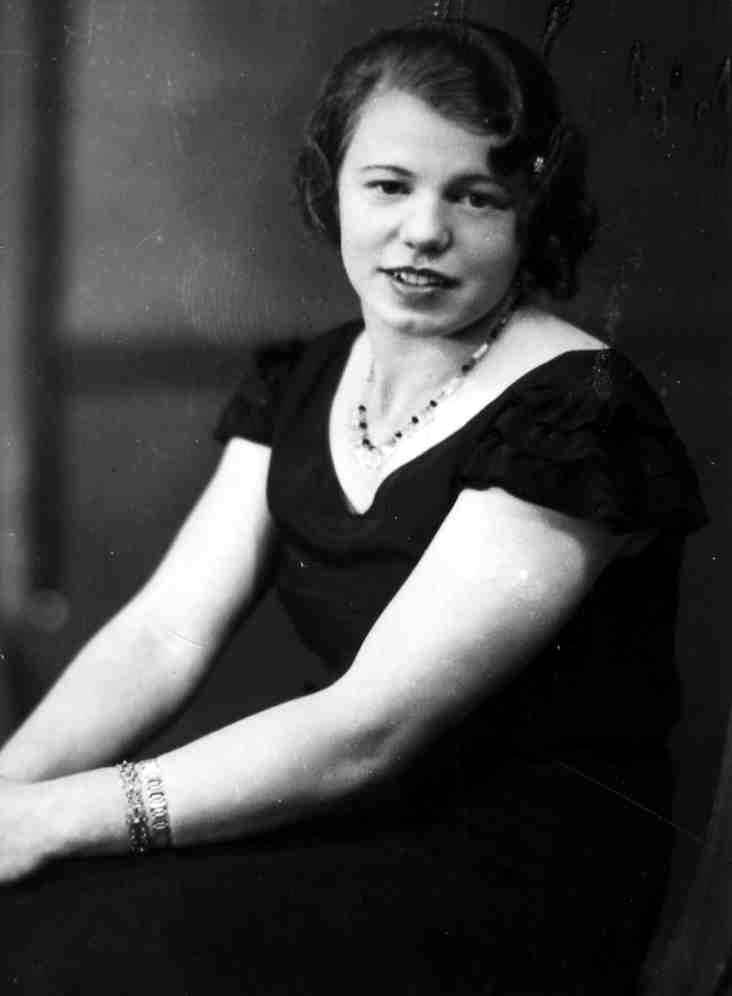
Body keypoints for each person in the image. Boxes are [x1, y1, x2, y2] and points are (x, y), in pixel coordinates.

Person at [0, 19, 708, 994]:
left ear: (533, 215)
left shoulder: (577, 413)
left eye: (476, 196)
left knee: (99, 950)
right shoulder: (305, 379)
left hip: (512, 875)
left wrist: (55, 818)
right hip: (342, 817)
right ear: (329, 188)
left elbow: (370, 728)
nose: (424, 231)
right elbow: (162, 634)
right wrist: (9, 792)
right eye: (388, 185)